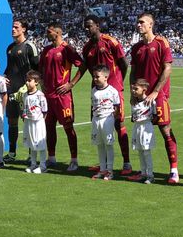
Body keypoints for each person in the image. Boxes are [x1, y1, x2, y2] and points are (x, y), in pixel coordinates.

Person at [130, 12, 180, 184]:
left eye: (142, 22)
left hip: (158, 96)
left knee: (166, 131)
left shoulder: (161, 43)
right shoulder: (136, 48)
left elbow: (167, 69)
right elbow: (133, 72)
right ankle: (145, 171)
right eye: (138, 22)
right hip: (141, 99)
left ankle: (174, 170)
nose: (139, 25)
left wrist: (156, 91)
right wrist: (133, 93)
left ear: (151, 24)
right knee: (140, 134)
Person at [81, 15, 131, 174]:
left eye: (90, 26)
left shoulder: (110, 41)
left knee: (119, 124)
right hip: (97, 92)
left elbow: (124, 64)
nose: (87, 29)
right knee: (98, 124)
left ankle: (126, 163)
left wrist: (118, 82)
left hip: (113, 90)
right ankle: (104, 163)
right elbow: (87, 68)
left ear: (97, 25)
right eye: (85, 27)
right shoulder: (87, 47)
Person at [39, 22, 84, 171]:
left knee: (68, 127)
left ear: (57, 33)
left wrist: (71, 84)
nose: (47, 34)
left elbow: (82, 65)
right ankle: (51, 158)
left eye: (49, 31)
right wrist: (41, 82)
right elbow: (40, 68)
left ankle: (74, 160)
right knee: (49, 126)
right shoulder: (46, 50)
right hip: (48, 96)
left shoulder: (67, 49)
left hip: (62, 96)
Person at [6, 20, 40, 161]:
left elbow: (37, 69)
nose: (13, 29)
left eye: (16, 27)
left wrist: (29, 87)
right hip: (12, 91)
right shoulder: (10, 48)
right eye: (12, 27)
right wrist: (4, 76)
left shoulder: (29, 47)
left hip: (26, 93)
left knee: (29, 122)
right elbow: (9, 68)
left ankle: (32, 154)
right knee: (12, 122)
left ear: (24, 29)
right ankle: (12, 153)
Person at [90, 64, 122, 180]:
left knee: (108, 145)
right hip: (96, 119)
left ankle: (110, 171)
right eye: (94, 76)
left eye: (97, 76)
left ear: (105, 77)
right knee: (99, 145)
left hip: (107, 119)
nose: (95, 79)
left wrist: (112, 119)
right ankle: (102, 169)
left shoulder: (112, 91)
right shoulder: (93, 90)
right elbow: (93, 106)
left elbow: (117, 108)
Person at [129, 79, 156, 185]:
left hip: (146, 127)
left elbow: (155, 116)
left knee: (146, 152)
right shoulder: (133, 102)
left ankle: (150, 175)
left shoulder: (150, 101)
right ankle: (143, 173)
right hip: (137, 127)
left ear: (144, 90)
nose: (133, 91)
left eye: (136, 89)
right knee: (140, 151)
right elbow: (133, 118)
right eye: (132, 89)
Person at [22, 71, 49, 174]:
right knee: (31, 144)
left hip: (38, 123)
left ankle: (43, 165)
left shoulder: (40, 95)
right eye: (26, 80)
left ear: (36, 82)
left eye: (29, 80)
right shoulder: (25, 95)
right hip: (28, 122)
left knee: (40, 144)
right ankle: (33, 164)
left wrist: (40, 121)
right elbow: (24, 108)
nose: (27, 83)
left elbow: (45, 111)